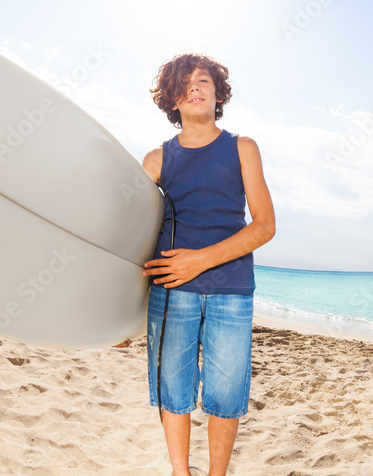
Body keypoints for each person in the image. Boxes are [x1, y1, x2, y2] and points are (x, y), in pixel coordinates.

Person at [141, 53, 275, 476]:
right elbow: (131, 239)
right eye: (185, 83)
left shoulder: (242, 148)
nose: (195, 87)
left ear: (218, 93)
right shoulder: (155, 161)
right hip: (169, 290)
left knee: (226, 394)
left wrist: (199, 261)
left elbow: (265, 225)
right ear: (172, 99)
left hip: (231, 289)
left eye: (203, 81)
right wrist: (120, 315)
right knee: (172, 391)